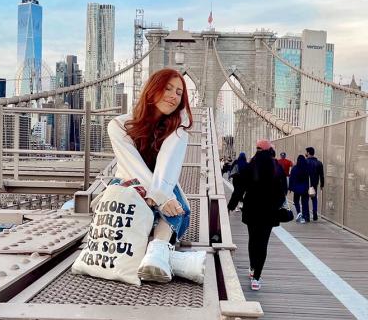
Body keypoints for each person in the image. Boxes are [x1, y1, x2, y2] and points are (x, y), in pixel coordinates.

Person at [107, 68, 206, 283]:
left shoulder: (177, 130)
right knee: (171, 206)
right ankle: (167, 258)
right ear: (152, 90)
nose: (173, 96)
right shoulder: (118, 125)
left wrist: (161, 194)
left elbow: (168, 166)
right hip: (129, 184)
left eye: (179, 93)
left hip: (161, 184)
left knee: (177, 207)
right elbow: (132, 167)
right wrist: (160, 197)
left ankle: (158, 249)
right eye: (167, 88)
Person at [227, 139, 287, 291]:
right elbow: (283, 192)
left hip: (252, 210)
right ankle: (257, 278)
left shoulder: (250, 166)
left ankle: (252, 267)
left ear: (257, 149)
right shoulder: (277, 168)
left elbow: (239, 189)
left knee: (253, 240)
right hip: (269, 212)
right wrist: (276, 205)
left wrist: (231, 206)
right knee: (263, 243)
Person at [305, 147, 325, 222]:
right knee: (314, 198)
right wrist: (322, 184)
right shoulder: (319, 163)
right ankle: (315, 213)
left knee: (305, 199)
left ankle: (307, 215)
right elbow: (321, 175)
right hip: (315, 183)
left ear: (308, 153)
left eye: (306, 152)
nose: (306, 154)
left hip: (306, 183)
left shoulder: (305, 162)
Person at [289, 155, 310, 223]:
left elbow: (291, 178)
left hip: (297, 188)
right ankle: (305, 216)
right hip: (305, 188)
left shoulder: (295, 168)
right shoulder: (306, 168)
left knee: (296, 201)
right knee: (305, 202)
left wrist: (290, 187)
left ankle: (299, 212)